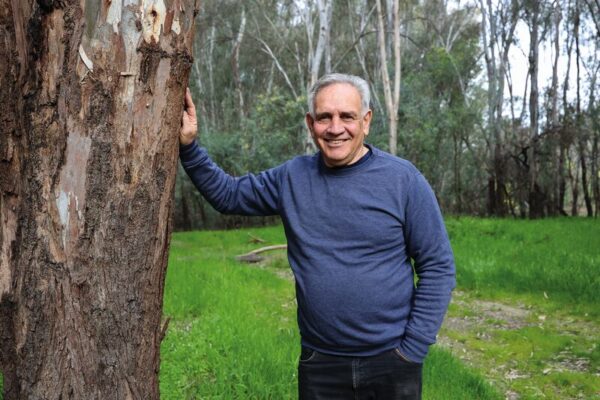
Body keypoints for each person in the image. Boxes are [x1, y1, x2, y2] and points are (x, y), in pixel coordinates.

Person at [179, 73, 455, 400]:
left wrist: (412, 350)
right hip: (320, 363)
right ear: (311, 124)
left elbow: (437, 267)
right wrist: (189, 147)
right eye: (324, 117)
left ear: (366, 121)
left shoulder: (403, 180)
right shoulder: (292, 178)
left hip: (392, 361)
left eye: (347, 117)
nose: (335, 128)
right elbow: (229, 196)